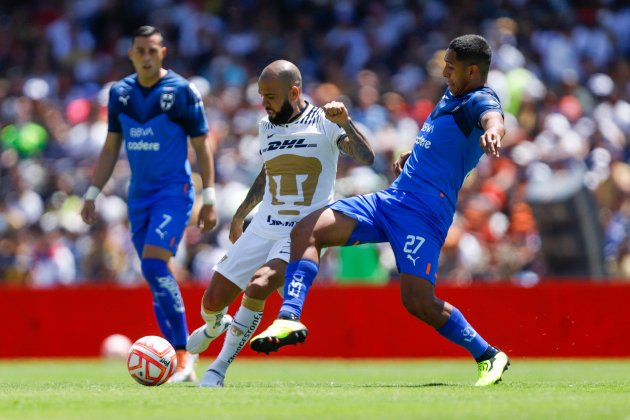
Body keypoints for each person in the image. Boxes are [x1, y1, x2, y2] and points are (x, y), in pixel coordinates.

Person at [250, 34, 510, 387]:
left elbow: (492, 118)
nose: (444, 73)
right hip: (392, 199)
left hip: (424, 214)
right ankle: (289, 316)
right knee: (307, 229)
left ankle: (489, 355)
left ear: (473, 70)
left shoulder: (479, 99)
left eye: (450, 67)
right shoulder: (453, 94)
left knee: (418, 302)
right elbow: (441, 142)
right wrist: (412, 157)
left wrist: (494, 131)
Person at [185, 59, 375, 387]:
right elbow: (268, 172)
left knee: (260, 284)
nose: (264, 103)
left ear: (295, 91)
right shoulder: (265, 125)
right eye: (262, 95)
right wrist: (243, 212)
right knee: (212, 302)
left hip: (304, 231)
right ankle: (216, 327)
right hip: (263, 225)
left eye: (271, 96)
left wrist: (346, 124)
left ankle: (217, 370)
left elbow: (366, 156)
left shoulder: (325, 121)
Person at [80, 26, 217, 383]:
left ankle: (185, 354)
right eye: (140, 50)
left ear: (163, 53)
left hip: (174, 191)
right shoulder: (120, 93)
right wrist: (93, 192)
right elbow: (111, 147)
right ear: (131, 54)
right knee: (154, 275)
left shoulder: (182, 91)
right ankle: (178, 358)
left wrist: (210, 196)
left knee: (156, 265)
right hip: (138, 197)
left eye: (152, 50)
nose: (146, 56)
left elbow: (203, 145)